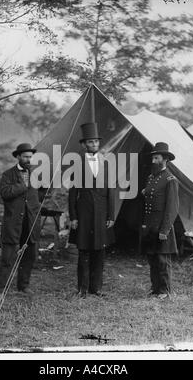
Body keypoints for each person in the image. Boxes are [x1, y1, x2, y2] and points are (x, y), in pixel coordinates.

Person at [68, 123, 115, 298]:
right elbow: (72, 194)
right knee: (84, 251)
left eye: (96, 142)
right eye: (90, 142)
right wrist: (73, 216)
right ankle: (82, 288)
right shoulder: (77, 165)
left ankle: (97, 288)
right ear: (84, 145)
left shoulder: (107, 163)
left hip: (102, 214)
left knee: (100, 252)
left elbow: (112, 192)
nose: (94, 145)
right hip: (84, 214)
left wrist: (111, 215)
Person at [0, 143, 44, 299]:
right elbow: (5, 193)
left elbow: (41, 193)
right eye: (25, 157)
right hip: (13, 222)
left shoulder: (36, 174)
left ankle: (23, 286)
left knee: (29, 255)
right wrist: (23, 185)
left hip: (30, 221)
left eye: (30, 157)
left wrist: (35, 207)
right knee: (8, 256)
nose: (29, 159)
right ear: (18, 156)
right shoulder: (8, 174)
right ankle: (1, 289)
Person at [141, 142, 179, 300]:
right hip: (150, 224)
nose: (153, 161)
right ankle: (155, 288)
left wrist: (165, 230)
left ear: (165, 160)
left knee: (163, 259)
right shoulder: (151, 177)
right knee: (152, 258)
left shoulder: (170, 179)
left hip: (162, 225)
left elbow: (172, 208)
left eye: (156, 158)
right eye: (153, 158)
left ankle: (165, 290)